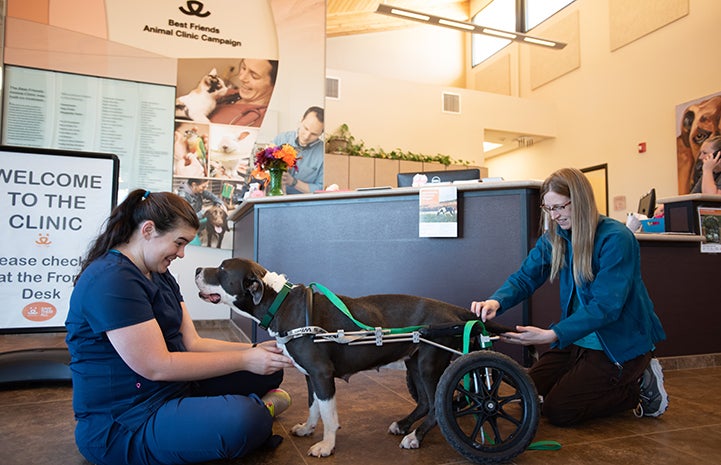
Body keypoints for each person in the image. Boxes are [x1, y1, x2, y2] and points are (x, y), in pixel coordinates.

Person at [65, 189, 294, 465]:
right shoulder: (111, 281)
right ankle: (259, 412)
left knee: (268, 371)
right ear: (148, 230)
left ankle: (237, 409)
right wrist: (246, 358)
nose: (183, 254)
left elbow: (192, 344)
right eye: (180, 242)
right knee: (245, 419)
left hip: (174, 386)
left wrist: (255, 350)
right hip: (127, 420)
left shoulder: (159, 273)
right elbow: (157, 365)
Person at [470, 168, 668, 427]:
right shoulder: (555, 237)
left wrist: (552, 335)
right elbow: (525, 277)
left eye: (560, 207)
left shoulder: (617, 239)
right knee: (526, 394)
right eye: (548, 209)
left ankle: (638, 386)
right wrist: (497, 301)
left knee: (560, 410)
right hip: (577, 340)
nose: (554, 216)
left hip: (618, 344)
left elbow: (606, 307)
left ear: (580, 201)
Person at [210, 58, 278, 127]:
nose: (241, 78)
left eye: (254, 76)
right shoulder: (227, 94)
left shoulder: (263, 120)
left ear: (275, 83)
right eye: (243, 68)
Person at [273, 106, 325, 194]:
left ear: (321, 133)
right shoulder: (281, 139)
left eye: (314, 134)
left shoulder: (323, 154)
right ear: (301, 120)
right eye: (306, 128)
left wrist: (293, 182)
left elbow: (320, 188)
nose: (307, 136)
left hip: (305, 204)